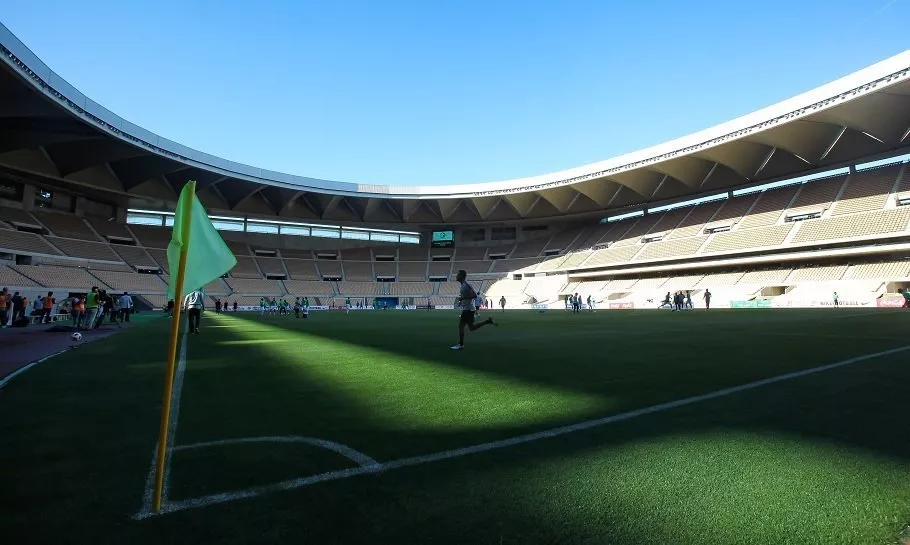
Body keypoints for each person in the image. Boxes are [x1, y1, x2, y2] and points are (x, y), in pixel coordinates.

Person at [451, 269, 496, 351]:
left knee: (461, 327)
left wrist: (463, 298)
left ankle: (461, 345)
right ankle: (487, 321)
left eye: (457, 275)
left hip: (468, 310)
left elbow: (474, 295)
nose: (456, 276)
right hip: (470, 309)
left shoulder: (466, 285)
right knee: (471, 327)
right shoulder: (463, 285)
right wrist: (462, 300)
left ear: (461, 276)